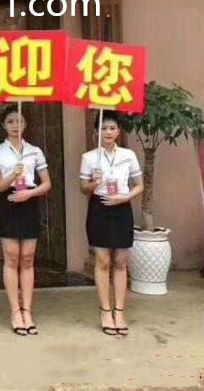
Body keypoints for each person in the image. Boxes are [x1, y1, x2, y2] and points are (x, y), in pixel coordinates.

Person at [0, 105, 51, 336]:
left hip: (29, 202)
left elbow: (47, 183)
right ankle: (15, 311)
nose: (15, 125)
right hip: (8, 201)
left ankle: (27, 311)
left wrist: (30, 194)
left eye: (19, 121)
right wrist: (12, 175)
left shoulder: (35, 151)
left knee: (28, 258)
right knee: (12, 257)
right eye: (11, 121)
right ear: (4, 125)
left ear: (25, 124)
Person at [80, 110, 143, 336]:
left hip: (122, 208)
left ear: (118, 131)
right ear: (97, 132)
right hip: (99, 208)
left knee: (120, 261)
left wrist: (125, 197)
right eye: (103, 128)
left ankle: (120, 311)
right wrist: (93, 182)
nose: (108, 132)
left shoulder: (128, 155)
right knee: (103, 261)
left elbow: (139, 185)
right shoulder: (89, 157)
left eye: (112, 128)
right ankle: (105, 311)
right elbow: (83, 188)